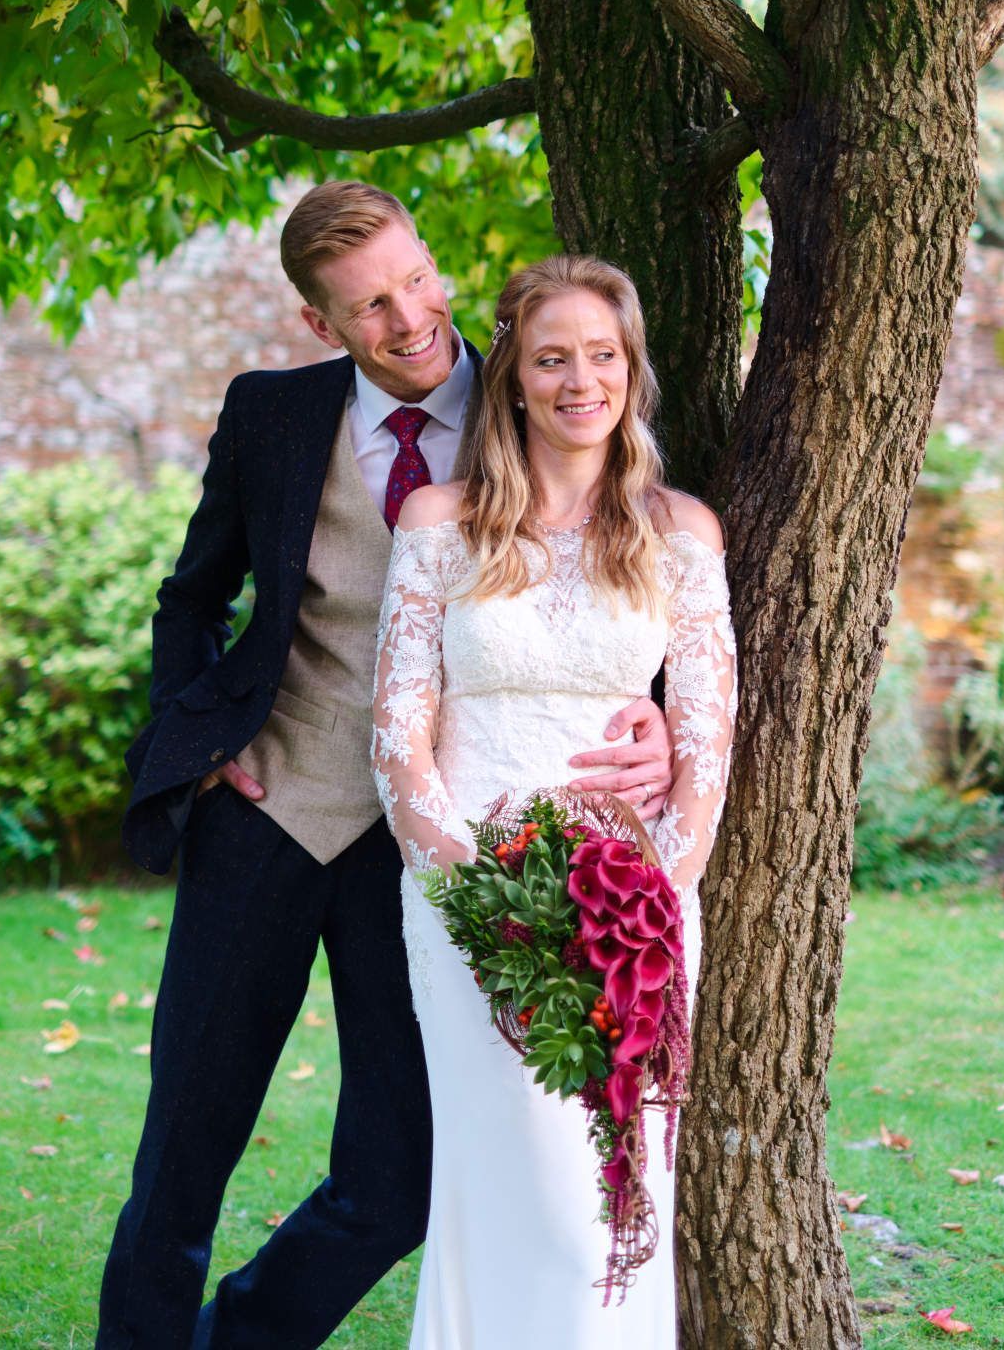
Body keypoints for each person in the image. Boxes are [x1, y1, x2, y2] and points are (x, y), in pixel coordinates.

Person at [97, 184, 677, 1350]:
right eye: (367, 306)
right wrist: (207, 737)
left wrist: (654, 712)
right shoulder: (269, 416)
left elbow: (625, 563)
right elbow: (192, 597)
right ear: (323, 325)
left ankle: (239, 1339)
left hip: (430, 846)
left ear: (440, 270)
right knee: (185, 1143)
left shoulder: (536, 401)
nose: (406, 318)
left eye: (414, 281)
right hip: (268, 811)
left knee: (398, 1172)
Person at [371, 253, 737, 1347]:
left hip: (633, 910)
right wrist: (482, 904)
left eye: (603, 355)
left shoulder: (681, 532)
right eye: (551, 358)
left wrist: (650, 897)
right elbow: (396, 732)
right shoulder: (440, 517)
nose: (582, 379)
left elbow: (710, 736)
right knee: (500, 1188)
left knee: (611, 1206)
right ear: (515, 380)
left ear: (631, 370)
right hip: (468, 902)